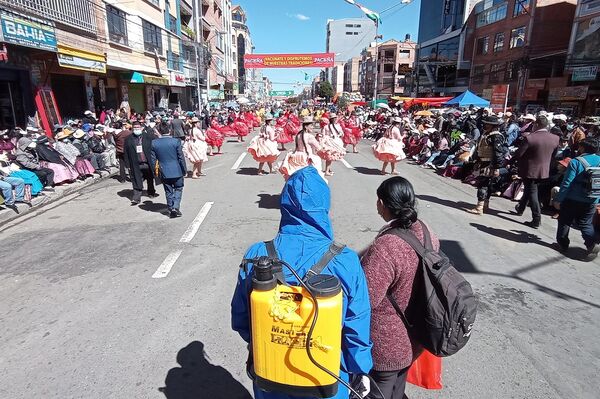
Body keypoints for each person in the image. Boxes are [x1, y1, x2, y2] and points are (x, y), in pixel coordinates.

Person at [231, 166, 373, 399]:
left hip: (272, 372)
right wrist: (360, 369)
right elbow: (356, 322)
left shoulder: (258, 253)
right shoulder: (345, 260)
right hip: (326, 375)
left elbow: (241, 318)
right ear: (324, 205)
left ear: (284, 203)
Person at [361, 176, 440, 399]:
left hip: (387, 343)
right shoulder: (426, 233)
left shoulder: (386, 247)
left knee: (380, 392)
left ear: (382, 204)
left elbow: (367, 298)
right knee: (397, 388)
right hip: (417, 333)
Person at [553, 138, 600, 261]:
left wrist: (559, 199)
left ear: (583, 148)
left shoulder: (576, 162)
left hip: (572, 198)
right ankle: (591, 243)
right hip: (592, 199)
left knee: (564, 220)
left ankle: (563, 243)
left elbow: (567, 182)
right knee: (585, 222)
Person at [512, 115, 559, 228]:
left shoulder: (530, 138)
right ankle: (521, 208)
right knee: (530, 189)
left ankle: (536, 219)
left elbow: (519, 154)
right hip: (544, 170)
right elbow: (554, 155)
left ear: (536, 124)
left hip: (530, 170)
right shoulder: (555, 138)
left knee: (533, 193)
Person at [468, 115, 506, 215]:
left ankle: (479, 207)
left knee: (483, 185)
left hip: (489, 164)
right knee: (486, 185)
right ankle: (484, 205)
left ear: (493, 125)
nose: (485, 125)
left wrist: (497, 167)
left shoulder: (496, 136)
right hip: (483, 162)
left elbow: (498, 153)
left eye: (487, 124)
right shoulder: (487, 134)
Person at [151, 125, 187, 218]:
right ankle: (175, 207)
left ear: (159, 131)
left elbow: (153, 160)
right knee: (178, 188)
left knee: (168, 191)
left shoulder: (154, 143)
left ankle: (171, 208)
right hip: (176, 169)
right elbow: (181, 157)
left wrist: (156, 172)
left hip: (164, 170)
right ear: (170, 131)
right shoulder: (175, 141)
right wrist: (184, 169)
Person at [124, 120, 158, 205]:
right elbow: (126, 152)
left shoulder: (148, 137)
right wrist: (127, 165)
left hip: (147, 162)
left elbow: (154, 149)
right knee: (136, 180)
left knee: (150, 178)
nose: (136, 129)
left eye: (138, 127)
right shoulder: (128, 139)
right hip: (135, 163)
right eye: (135, 128)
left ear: (141, 128)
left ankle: (151, 192)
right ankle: (136, 197)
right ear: (132, 128)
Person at [279, 116, 323, 180]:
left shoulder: (298, 135)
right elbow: (318, 147)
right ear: (306, 126)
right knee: (311, 175)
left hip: (297, 156)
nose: (312, 127)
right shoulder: (309, 136)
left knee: (298, 175)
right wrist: (320, 140)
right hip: (306, 157)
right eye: (311, 125)